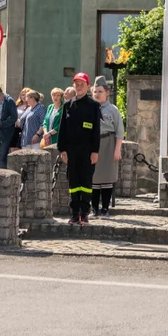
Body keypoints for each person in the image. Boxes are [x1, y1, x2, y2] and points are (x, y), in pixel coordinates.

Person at [57, 73, 101, 225]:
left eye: (82, 83)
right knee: (73, 183)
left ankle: (85, 213)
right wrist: (62, 149)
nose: (79, 86)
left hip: (88, 151)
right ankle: (75, 214)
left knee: (86, 182)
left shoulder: (94, 105)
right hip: (71, 151)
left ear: (88, 86)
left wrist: (95, 151)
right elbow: (62, 128)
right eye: (77, 83)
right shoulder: (68, 105)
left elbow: (96, 130)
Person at [90, 76, 123, 218]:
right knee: (94, 177)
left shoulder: (113, 110)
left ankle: (105, 209)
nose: (97, 94)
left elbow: (120, 131)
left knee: (107, 176)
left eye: (100, 91)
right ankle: (94, 209)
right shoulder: (90, 109)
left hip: (108, 142)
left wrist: (117, 149)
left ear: (107, 93)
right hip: (93, 144)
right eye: (95, 91)